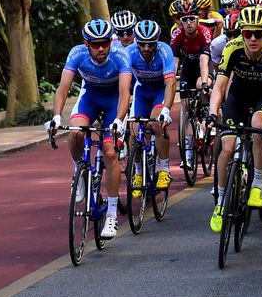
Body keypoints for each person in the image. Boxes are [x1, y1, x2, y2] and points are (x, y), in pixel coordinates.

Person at [46, 18, 132, 240]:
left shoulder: (120, 56)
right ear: (87, 44)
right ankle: (79, 172)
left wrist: (120, 120)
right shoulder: (77, 54)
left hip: (114, 102)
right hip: (90, 99)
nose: (101, 48)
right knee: (75, 132)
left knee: (110, 153)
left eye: (104, 42)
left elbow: (125, 93)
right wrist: (56, 116)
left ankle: (111, 214)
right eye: (95, 44)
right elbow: (63, 89)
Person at [208, 6, 262, 231]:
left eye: (258, 33)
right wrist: (212, 113)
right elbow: (220, 86)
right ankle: (220, 203)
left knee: (259, 127)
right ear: (241, 34)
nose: (252, 39)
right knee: (227, 148)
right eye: (247, 33)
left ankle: (258, 183)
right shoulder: (232, 48)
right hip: (238, 97)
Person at [124, 19, 176, 194]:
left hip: (160, 91)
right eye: (142, 44)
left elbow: (170, 84)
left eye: (150, 44)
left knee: (156, 123)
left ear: (157, 41)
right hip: (142, 91)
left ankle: (163, 168)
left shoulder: (164, 51)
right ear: (136, 41)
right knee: (133, 130)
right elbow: (123, 83)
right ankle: (138, 172)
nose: (146, 48)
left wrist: (166, 111)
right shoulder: (129, 52)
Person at [170, 0, 213, 167]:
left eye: (192, 19)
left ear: (197, 19)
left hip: (203, 65)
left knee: (202, 85)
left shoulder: (205, 32)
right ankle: (188, 154)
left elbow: (204, 61)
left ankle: (207, 115)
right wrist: (171, 82)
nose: (188, 23)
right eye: (185, 19)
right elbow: (174, 63)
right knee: (186, 105)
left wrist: (204, 83)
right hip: (187, 66)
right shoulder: (177, 35)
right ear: (180, 21)